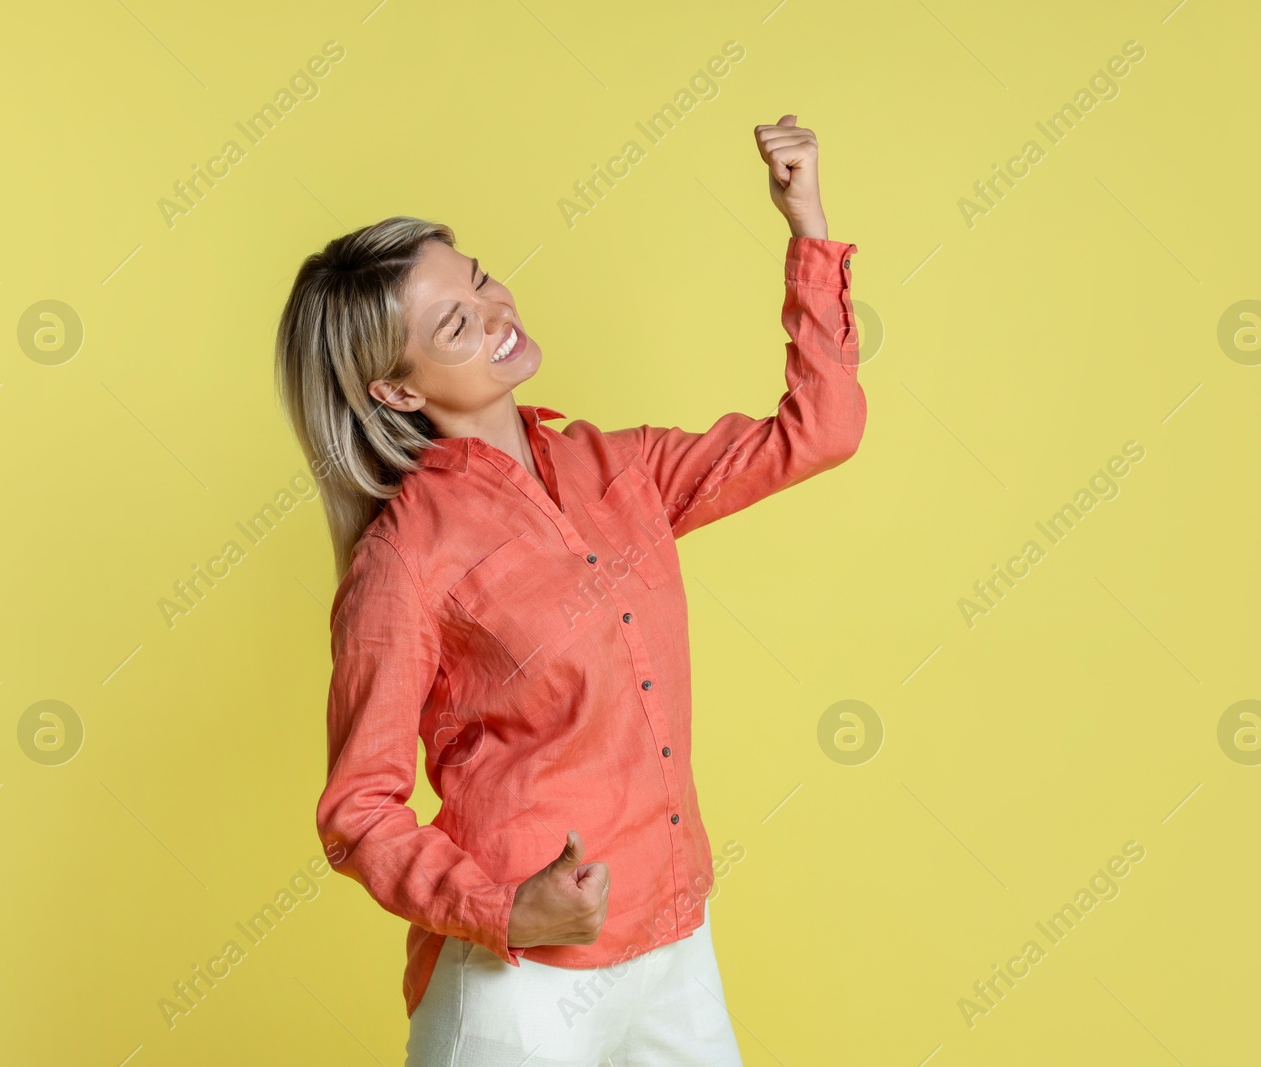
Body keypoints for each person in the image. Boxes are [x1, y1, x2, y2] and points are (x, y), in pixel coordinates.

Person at [274, 114, 865, 1065]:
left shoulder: (617, 467)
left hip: (675, 944)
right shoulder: (404, 558)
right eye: (456, 323)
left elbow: (818, 433)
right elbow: (360, 808)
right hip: (521, 992)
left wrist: (806, 224)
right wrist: (507, 907)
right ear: (392, 389)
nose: (497, 312)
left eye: (479, 281)